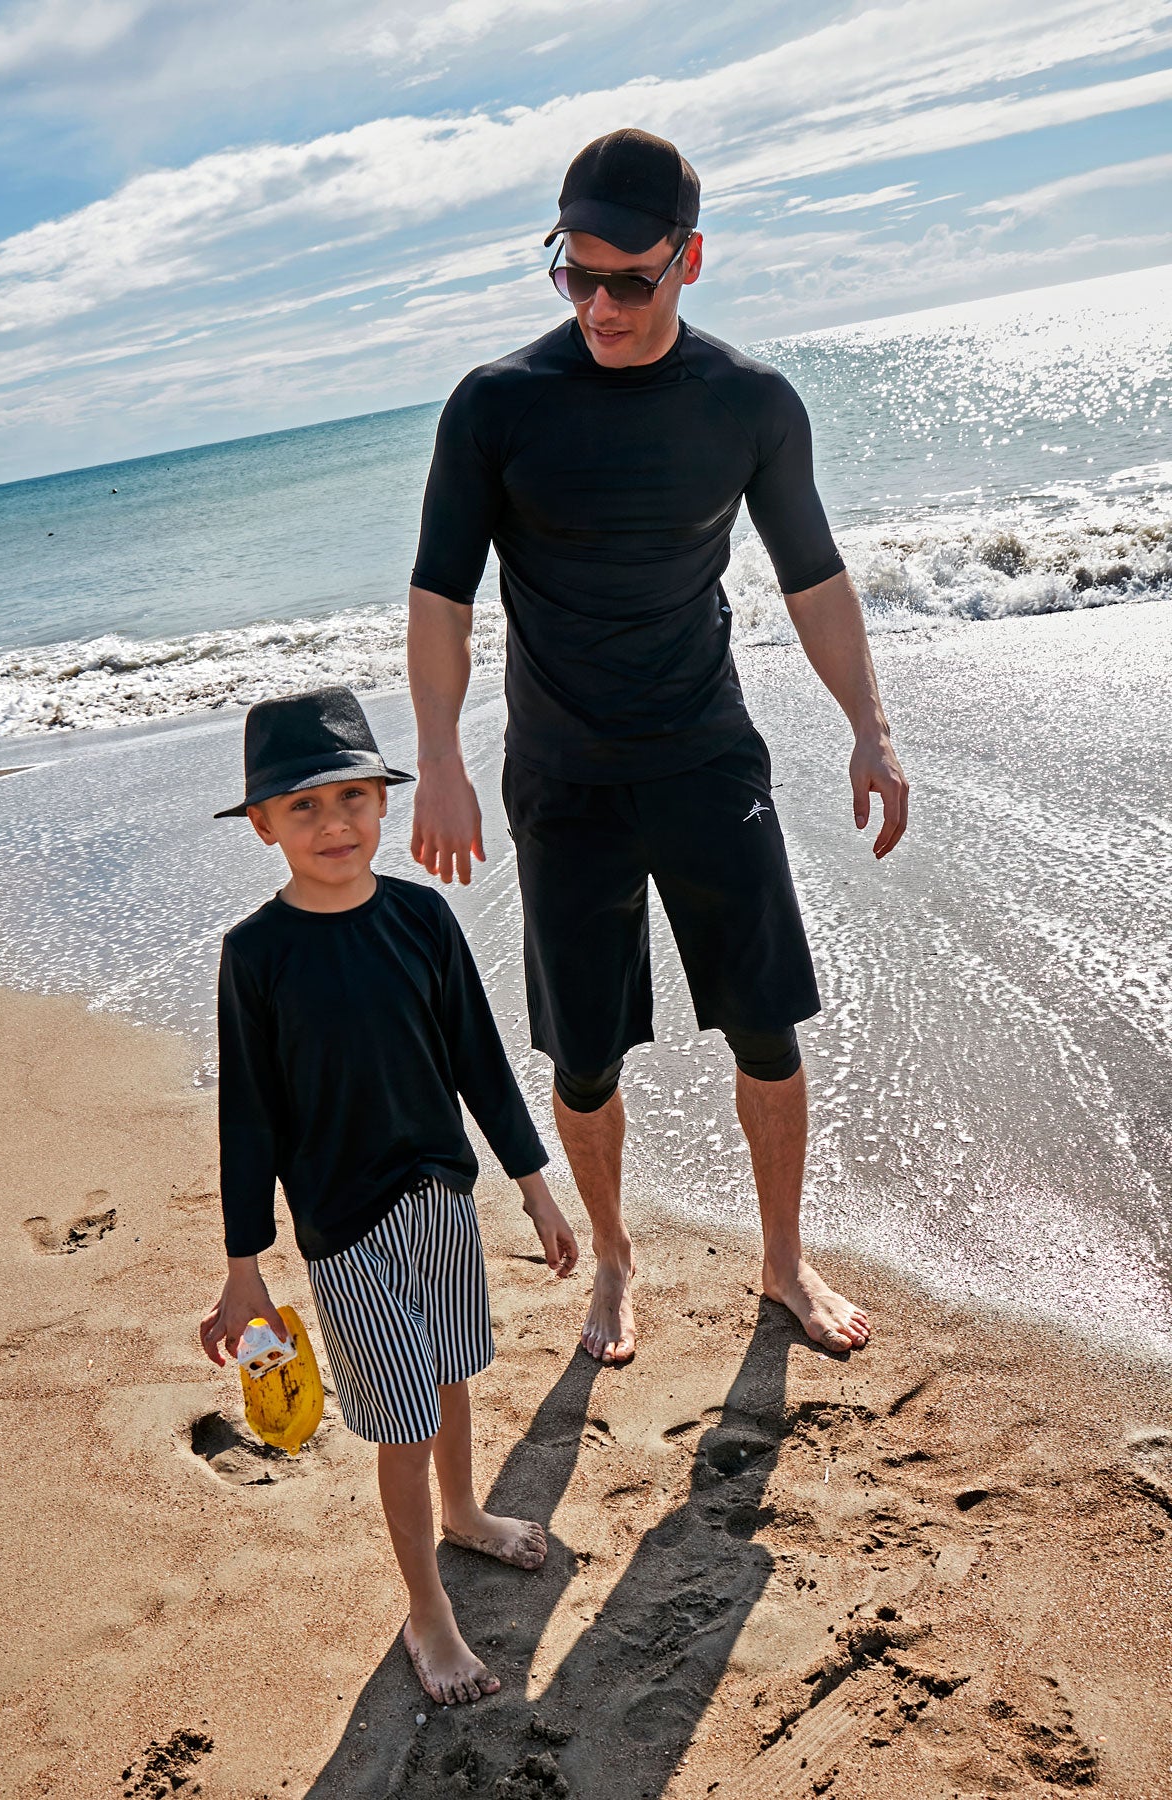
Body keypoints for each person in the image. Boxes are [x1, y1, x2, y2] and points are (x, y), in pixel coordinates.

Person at [407, 128, 909, 1366]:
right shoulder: (495, 406)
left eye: (630, 280)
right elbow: (440, 598)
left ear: (690, 258)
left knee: (767, 1030)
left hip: (705, 761)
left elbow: (814, 578)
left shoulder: (749, 402)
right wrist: (441, 758)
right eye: (576, 276)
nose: (601, 306)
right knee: (583, 1061)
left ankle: (781, 1259)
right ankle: (615, 1258)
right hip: (564, 782)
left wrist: (871, 728)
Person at [199, 685, 579, 1706]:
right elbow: (249, 1120)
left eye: (353, 798)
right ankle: (427, 1611)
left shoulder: (422, 917)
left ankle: (464, 1513)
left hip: (441, 1200)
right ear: (265, 825)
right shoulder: (256, 955)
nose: (335, 824)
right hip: (343, 1229)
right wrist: (244, 1269)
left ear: (382, 802)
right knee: (403, 1423)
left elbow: (481, 1063)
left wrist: (535, 1188)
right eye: (305, 806)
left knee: (450, 1373)